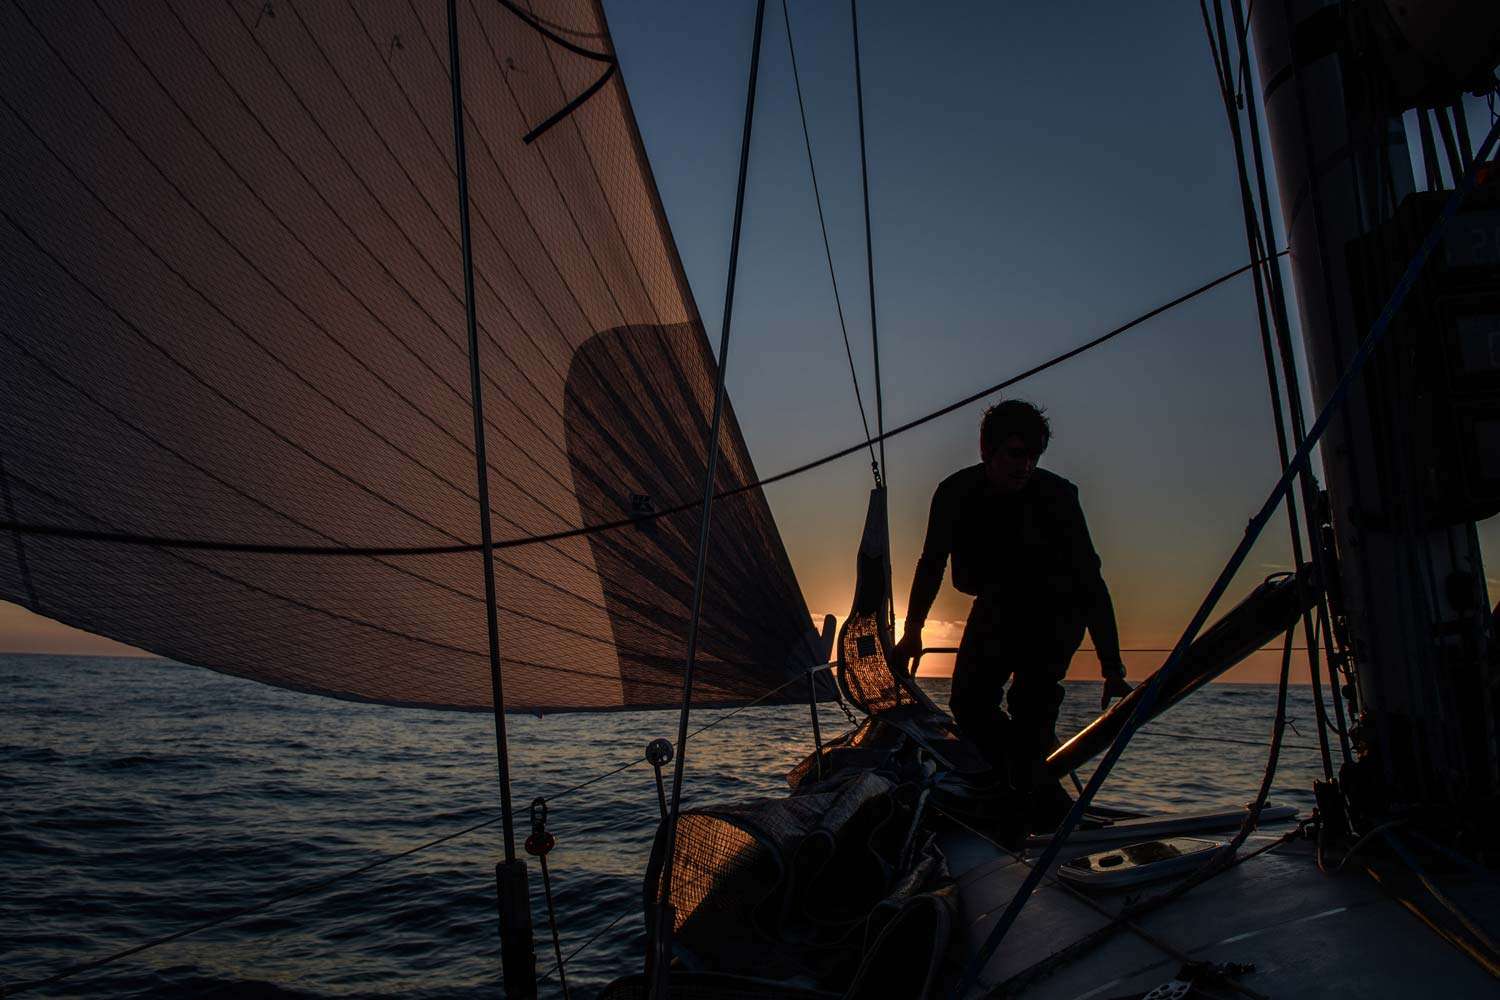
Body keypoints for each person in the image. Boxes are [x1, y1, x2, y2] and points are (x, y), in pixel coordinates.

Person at [893, 400, 1131, 792]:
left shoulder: (1059, 496)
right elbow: (931, 563)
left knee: (1031, 709)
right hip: (996, 605)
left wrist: (1112, 666)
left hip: (1056, 611)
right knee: (968, 704)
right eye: (1016, 454)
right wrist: (913, 631)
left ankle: (1033, 802)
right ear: (988, 451)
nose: (1026, 466)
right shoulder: (955, 493)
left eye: (1034, 456)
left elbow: (1090, 581)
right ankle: (1018, 788)